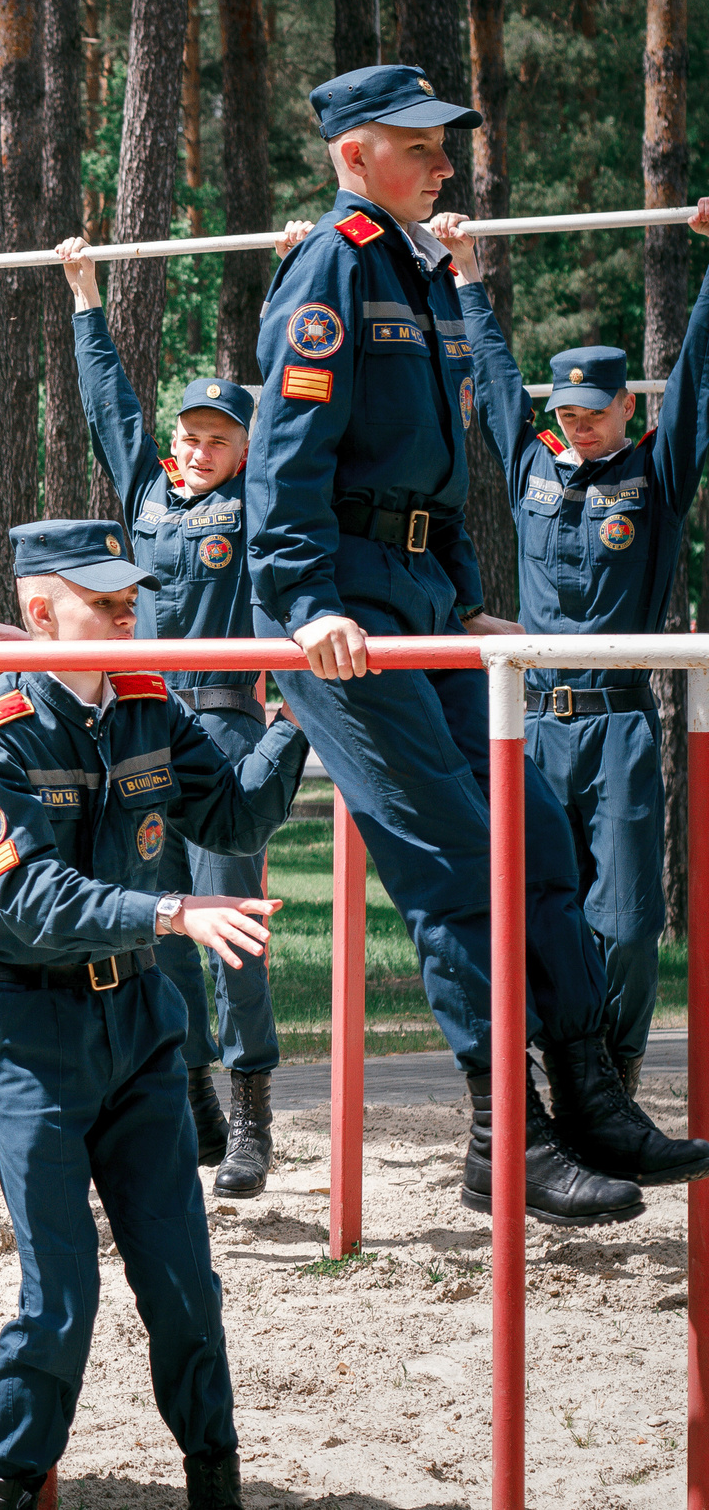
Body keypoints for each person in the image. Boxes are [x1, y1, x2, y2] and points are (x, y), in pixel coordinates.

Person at [247, 62, 707, 1221]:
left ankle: (590, 1101)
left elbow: (442, 474)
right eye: (419, 146)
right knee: (458, 862)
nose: (444, 164)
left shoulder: (419, 275)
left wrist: (460, 599)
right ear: (353, 155)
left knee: (537, 832)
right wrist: (303, 603)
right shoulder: (332, 265)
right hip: (343, 603)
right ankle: (506, 1136)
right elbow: (285, 459)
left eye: (444, 143)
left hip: (418, 593)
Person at [0, 518, 310, 1510]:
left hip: (142, 1027)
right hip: (34, 1035)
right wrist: (170, 911)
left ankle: (214, 1480)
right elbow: (30, 898)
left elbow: (231, 815)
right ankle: (9, 1486)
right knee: (61, 1299)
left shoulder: (148, 703)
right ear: (39, 611)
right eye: (101, 602)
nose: (124, 617)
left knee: (185, 1287)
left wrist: (300, 715)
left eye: (127, 601)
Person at [62, 226, 310, 1199]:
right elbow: (110, 411)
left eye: (216, 438)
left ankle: (251, 1114)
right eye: (189, 434)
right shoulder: (148, 497)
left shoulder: (255, 501)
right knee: (161, 922)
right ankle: (196, 1098)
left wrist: (295, 278)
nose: (196, 449)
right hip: (145, 730)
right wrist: (86, 297)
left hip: (225, 725)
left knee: (229, 921)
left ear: (245, 448)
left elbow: (297, 398)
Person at [447, 198, 709, 1091]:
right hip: (531, 730)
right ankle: (564, 1072)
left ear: (628, 405)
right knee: (527, 909)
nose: (577, 424)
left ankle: (617, 1072)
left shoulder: (653, 474)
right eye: (564, 411)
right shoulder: (531, 465)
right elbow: (492, 374)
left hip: (619, 725)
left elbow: (699, 380)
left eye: (594, 411)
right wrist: (469, 277)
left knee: (627, 922)